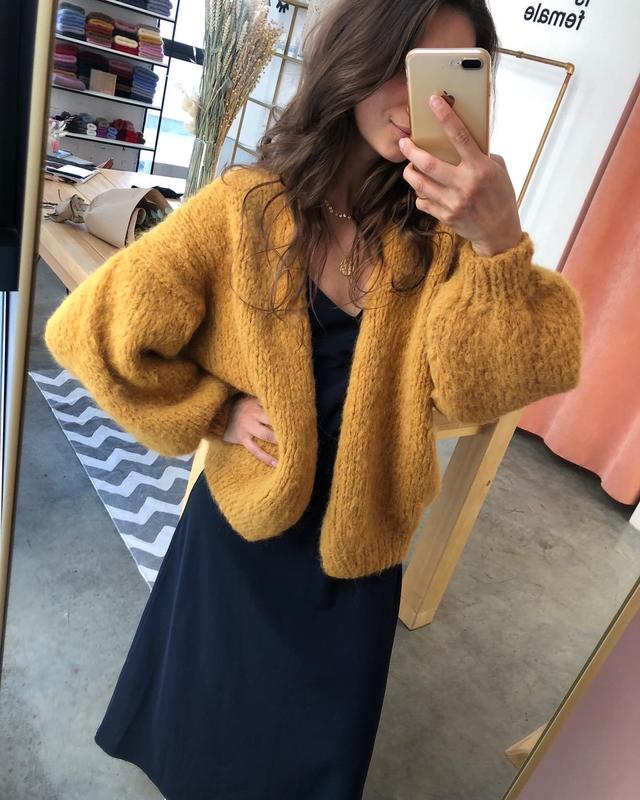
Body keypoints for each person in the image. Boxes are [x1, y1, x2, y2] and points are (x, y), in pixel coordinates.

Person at [43, 1, 583, 798]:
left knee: (313, 756)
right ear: (355, 60)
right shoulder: (244, 208)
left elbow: (495, 382)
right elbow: (91, 332)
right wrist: (213, 410)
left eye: (450, 78)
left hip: (360, 547)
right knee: (206, 729)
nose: (423, 103)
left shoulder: (443, 244)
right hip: (244, 532)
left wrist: (498, 243)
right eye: (404, 67)